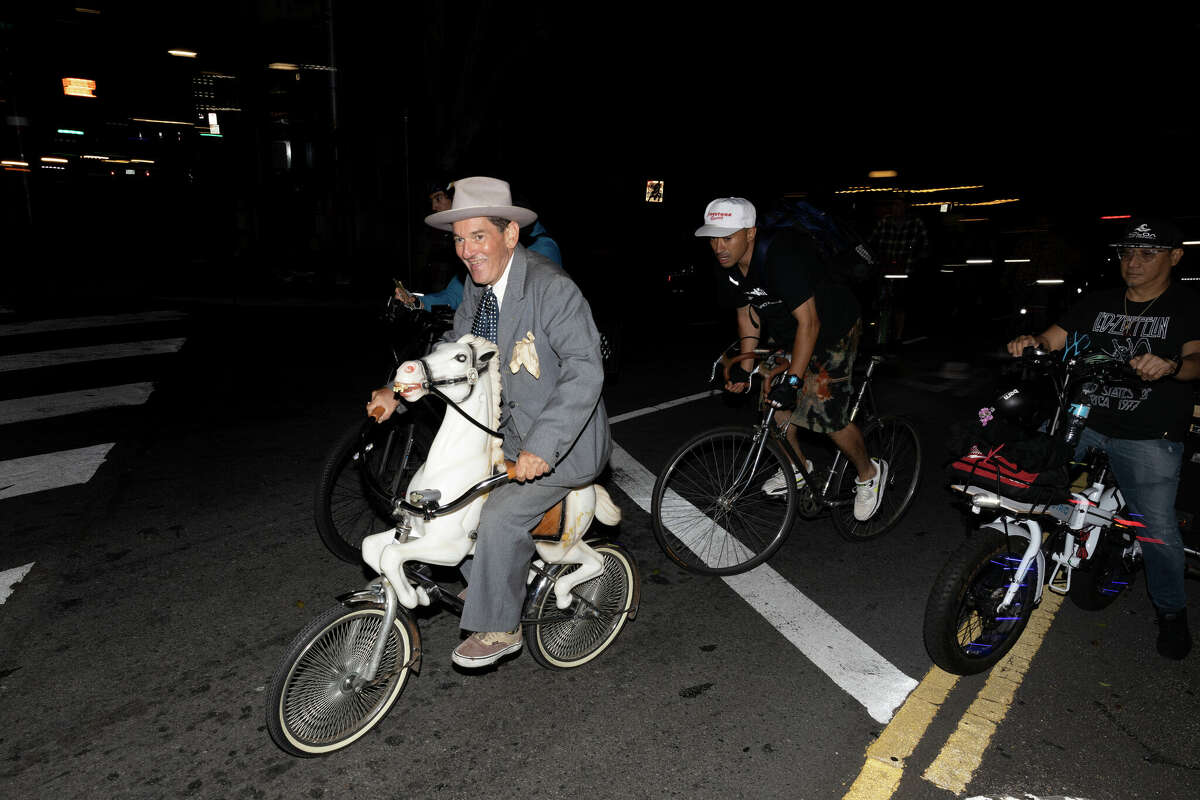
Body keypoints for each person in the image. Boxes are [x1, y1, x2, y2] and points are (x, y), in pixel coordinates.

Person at [367, 176, 610, 668]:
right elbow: (456, 355)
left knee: (498, 516)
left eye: (478, 236)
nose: (466, 250)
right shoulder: (480, 293)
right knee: (439, 500)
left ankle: (500, 625)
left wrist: (541, 445)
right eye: (458, 239)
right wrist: (400, 387)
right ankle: (499, 577)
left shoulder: (551, 290)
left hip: (564, 444)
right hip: (500, 439)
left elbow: (586, 371)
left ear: (510, 235)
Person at [1006, 217, 1199, 660]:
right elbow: (1052, 339)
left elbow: (1196, 359)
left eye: (1147, 254)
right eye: (1127, 252)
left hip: (1149, 434)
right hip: (1084, 418)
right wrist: (1030, 341)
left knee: (1157, 531)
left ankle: (1171, 614)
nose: (1133, 262)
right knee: (1025, 475)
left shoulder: (1188, 304)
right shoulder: (1097, 302)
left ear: (1175, 257)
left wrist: (1170, 366)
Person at [696, 197, 887, 521]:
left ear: (750, 233)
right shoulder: (727, 267)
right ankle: (798, 470)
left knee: (825, 411)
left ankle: (869, 473)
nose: (719, 247)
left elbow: (810, 324)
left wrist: (796, 380)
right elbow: (747, 314)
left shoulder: (781, 257)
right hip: (789, 332)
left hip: (833, 327)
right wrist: (745, 370)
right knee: (772, 403)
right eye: (713, 238)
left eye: (727, 237)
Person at [869, 193, 929, 344]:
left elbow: (925, 245)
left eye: (899, 205)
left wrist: (918, 256)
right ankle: (878, 330)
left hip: (905, 269)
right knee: (878, 298)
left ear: (906, 207)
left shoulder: (916, 223)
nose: (895, 208)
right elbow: (872, 242)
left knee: (900, 303)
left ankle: (898, 336)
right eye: (893, 204)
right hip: (885, 267)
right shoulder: (884, 222)